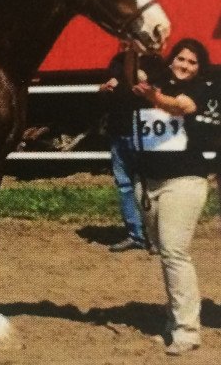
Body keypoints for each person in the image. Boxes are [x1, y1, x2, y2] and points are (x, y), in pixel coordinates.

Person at [132, 38, 210, 356]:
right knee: (162, 250)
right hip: (147, 181)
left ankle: (187, 331)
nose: (185, 66)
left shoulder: (201, 90)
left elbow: (183, 107)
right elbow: (131, 74)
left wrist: (154, 97)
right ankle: (172, 321)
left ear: (199, 69)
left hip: (185, 181)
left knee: (175, 253)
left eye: (192, 62)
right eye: (181, 59)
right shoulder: (154, 80)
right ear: (170, 59)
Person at [100, 44, 163, 252]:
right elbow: (110, 90)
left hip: (144, 132)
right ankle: (134, 234)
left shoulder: (156, 63)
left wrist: (135, 68)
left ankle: (153, 237)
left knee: (147, 184)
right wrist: (104, 88)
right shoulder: (116, 61)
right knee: (124, 184)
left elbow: (144, 82)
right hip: (118, 130)